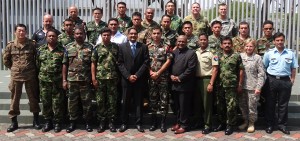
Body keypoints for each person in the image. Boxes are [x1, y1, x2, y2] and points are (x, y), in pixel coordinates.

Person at [3, 24, 41, 132]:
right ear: (15, 32)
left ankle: (36, 120)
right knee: (15, 99)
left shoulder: (32, 44)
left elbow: (37, 58)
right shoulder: (10, 45)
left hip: (30, 75)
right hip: (16, 76)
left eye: (23, 31)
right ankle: (14, 122)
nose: (21, 33)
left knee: (33, 98)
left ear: (26, 32)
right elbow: (6, 60)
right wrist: (14, 68)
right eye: (19, 31)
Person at [263, 32, 298, 135]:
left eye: (281, 40)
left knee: (283, 104)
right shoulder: (269, 53)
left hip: (285, 81)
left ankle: (282, 125)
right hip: (271, 80)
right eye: (277, 40)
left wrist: (292, 79)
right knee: (270, 104)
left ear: (284, 41)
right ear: (274, 41)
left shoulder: (290, 53)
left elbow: (293, 67)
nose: (279, 42)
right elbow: (264, 66)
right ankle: (270, 124)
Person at [117, 27, 150, 133]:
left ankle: (139, 123)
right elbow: (120, 63)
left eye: (135, 34)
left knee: (138, 103)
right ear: (127, 35)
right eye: (131, 34)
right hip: (126, 80)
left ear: (137, 35)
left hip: (139, 80)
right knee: (125, 102)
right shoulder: (121, 47)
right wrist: (128, 76)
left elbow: (146, 62)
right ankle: (124, 123)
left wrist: (137, 75)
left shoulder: (143, 47)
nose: (133, 35)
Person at [62, 26, 93, 133]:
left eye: (81, 34)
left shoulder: (90, 47)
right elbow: (65, 64)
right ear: (74, 35)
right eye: (77, 34)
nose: (79, 35)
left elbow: (93, 64)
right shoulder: (68, 47)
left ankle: (88, 122)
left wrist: (93, 79)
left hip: (85, 80)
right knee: (72, 102)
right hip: (72, 80)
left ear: (84, 35)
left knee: (87, 102)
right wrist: (64, 80)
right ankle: (72, 122)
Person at [213, 36, 244, 135]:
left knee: (231, 106)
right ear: (221, 45)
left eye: (229, 43)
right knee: (220, 106)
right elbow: (215, 69)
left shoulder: (237, 55)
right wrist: (212, 83)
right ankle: (221, 123)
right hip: (220, 85)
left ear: (232, 44)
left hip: (232, 85)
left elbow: (241, 70)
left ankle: (230, 125)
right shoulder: (216, 55)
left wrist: (240, 84)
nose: (227, 45)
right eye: (225, 43)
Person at [36, 29, 65, 133]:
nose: (51, 38)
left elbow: (64, 66)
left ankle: (57, 122)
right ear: (46, 37)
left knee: (57, 102)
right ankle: (47, 122)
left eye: (53, 36)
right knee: (46, 102)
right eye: (49, 36)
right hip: (44, 81)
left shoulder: (62, 50)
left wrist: (63, 80)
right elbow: (37, 65)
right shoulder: (40, 50)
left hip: (57, 81)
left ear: (57, 38)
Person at [92, 28, 119, 133]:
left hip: (113, 79)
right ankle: (102, 122)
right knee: (100, 101)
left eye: (108, 35)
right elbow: (93, 63)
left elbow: (119, 63)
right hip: (100, 79)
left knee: (112, 101)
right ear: (101, 36)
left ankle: (111, 122)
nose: (106, 37)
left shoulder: (116, 47)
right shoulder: (97, 48)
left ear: (111, 36)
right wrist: (93, 78)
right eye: (104, 35)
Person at [170, 35, 197, 134]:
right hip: (174, 84)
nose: (180, 43)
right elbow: (169, 65)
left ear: (187, 42)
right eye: (179, 41)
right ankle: (178, 123)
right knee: (176, 106)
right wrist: (171, 75)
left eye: (183, 41)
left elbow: (191, 69)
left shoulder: (191, 53)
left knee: (184, 106)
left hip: (185, 85)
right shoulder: (174, 52)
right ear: (176, 41)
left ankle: (184, 125)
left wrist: (179, 77)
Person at [147, 26, 172, 133]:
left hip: (163, 78)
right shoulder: (147, 47)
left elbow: (169, 61)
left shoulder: (166, 46)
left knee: (163, 100)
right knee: (153, 101)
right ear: (151, 34)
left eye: (158, 33)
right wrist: (150, 72)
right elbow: (145, 61)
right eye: (154, 33)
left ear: (161, 34)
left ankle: (163, 123)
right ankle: (153, 122)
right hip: (151, 78)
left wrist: (158, 72)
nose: (156, 35)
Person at [238, 39, 265, 133]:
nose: (248, 48)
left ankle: (251, 123)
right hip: (242, 86)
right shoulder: (240, 56)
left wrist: (259, 87)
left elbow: (261, 74)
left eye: (251, 46)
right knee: (242, 106)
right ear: (244, 47)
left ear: (254, 47)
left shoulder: (257, 58)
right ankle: (245, 121)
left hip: (253, 87)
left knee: (252, 106)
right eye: (247, 46)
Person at [194, 33, 218, 134]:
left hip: (206, 79)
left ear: (207, 40)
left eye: (204, 39)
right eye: (201, 39)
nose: (203, 41)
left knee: (207, 104)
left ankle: (208, 124)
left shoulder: (213, 53)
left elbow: (215, 69)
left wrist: (211, 83)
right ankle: (198, 122)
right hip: (196, 80)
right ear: (198, 41)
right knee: (197, 103)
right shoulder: (195, 52)